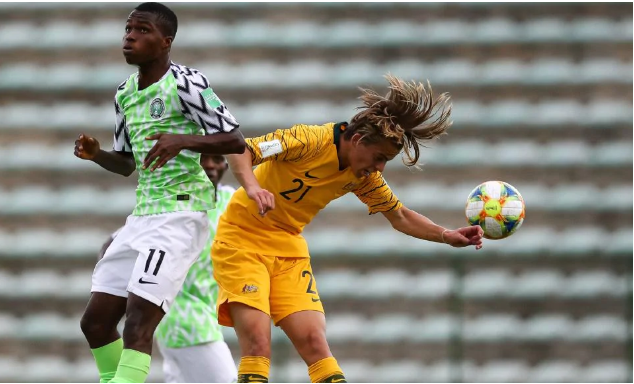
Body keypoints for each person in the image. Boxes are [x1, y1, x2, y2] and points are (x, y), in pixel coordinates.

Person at [151, 75, 484, 383]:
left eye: (385, 162)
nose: (379, 167)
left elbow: (399, 216)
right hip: (241, 239)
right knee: (257, 342)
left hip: (288, 247)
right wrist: (252, 188)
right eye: (379, 157)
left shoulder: (362, 176)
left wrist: (445, 235)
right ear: (356, 139)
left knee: (314, 342)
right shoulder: (308, 140)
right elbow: (242, 149)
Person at [73, 2, 245, 383]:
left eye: (143, 30)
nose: (130, 36)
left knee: (138, 324)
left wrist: (181, 140)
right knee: (95, 323)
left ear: (166, 42)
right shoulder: (125, 94)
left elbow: (235, 139)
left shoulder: (186, 82)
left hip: (181, 215)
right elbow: (126, 163)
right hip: (143, 216)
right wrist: (97, 154)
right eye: (128, 29)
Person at [98, 154, 238, 383]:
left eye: (218, 158)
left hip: (200, 316)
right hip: (185, 320)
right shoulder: (174, 201)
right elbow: (111, 245)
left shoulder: (230, 200)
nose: (211, 165)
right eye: (204, 159)